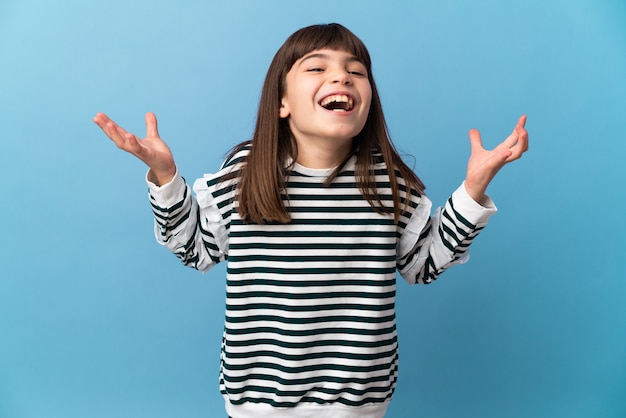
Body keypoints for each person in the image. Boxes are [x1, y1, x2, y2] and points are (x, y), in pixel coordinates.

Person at [94, 23, 528, 418]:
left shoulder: (388, 185)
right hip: (258, 402)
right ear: (282, 102)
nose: (341, 77)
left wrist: (472, 190)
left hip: (359, 402)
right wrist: (166, 177)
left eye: (356, 71)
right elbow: (192, 248)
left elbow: (423, 264)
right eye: (317, 68)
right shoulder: (246, 175)